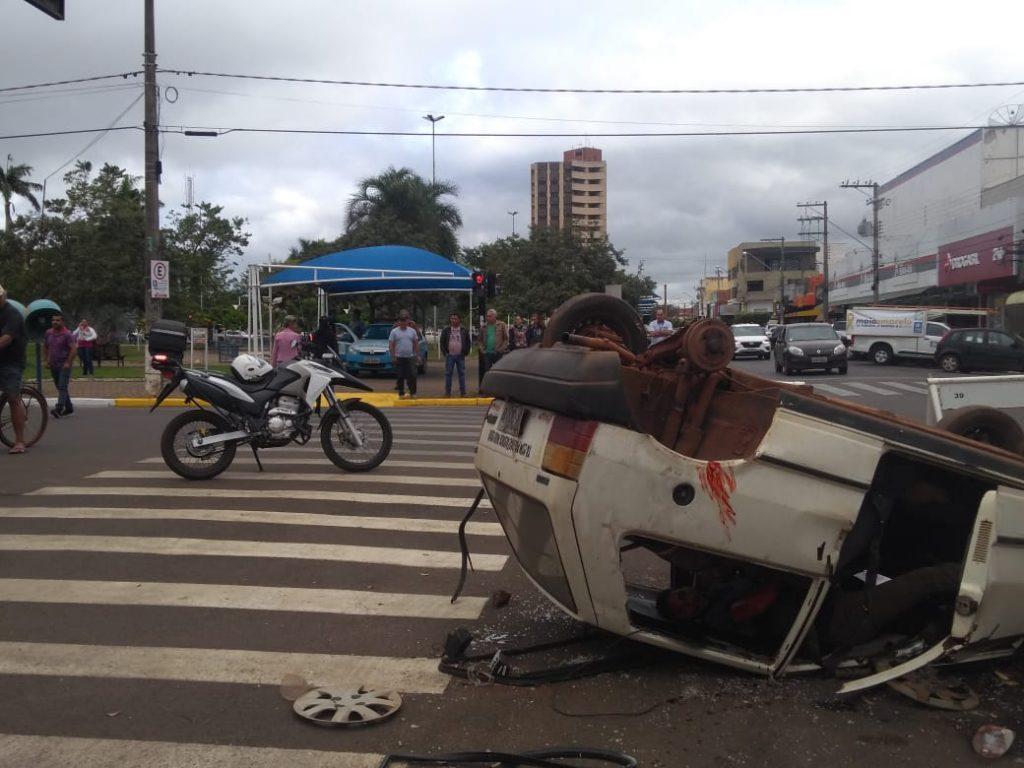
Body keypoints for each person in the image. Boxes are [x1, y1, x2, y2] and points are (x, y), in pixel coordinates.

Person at [0, 284, 28, 453]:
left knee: (12, 397)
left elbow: (6, 338)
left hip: (12, 361)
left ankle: (19, 441)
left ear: (3, 296)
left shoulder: (12, 314)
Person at [44, 312, 76, 418]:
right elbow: (46, 347)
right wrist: (46, 360)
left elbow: (73, 349)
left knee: (62, 386)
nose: (55, 322)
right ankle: (69, 407)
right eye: (53, 320)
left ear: (62, 321)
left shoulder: (67, 334)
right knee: (59, 386)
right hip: (54, 365)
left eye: (57, 320)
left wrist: (68, 362)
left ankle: (59, 408)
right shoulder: (48, 333)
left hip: (64, 365)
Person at [389, 310, 420, 398]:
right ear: (399, 321)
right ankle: (401, 393)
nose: (403, 322)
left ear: (408, 321)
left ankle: (413, 392)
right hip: (399, 357)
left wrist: (417, 355)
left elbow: (416, 343)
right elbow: (391, 344)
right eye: (401, 320)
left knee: (412, 375)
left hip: (410, 357)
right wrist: (393, 356)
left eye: (405, 320)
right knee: (400, 376)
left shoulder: (412, 331)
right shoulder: (394, 331)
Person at [440, 312, 470, 397]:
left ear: (459, 320)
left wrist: (465, 352)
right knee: (448, 374)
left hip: (460, 355)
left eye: (455, 319)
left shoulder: (464, 330)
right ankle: (447, 393)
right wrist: (445, 353)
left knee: (462, 374)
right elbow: (442, 342)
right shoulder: (446, 330)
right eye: (452, 318)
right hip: (449, 356)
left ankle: (463, 393)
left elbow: (468, 342)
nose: (453, 320)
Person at [477, 308, 508, 378]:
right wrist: (482, 350)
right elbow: (479, 340)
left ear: (494, 316)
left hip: (498, 353)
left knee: (498, 372)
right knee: (487, 373)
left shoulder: (501, 325)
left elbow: (506, 339)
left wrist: (501, 349)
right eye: (487, 316)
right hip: (487, 354)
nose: (487, 317)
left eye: (489, 316)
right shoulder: (483, 327)